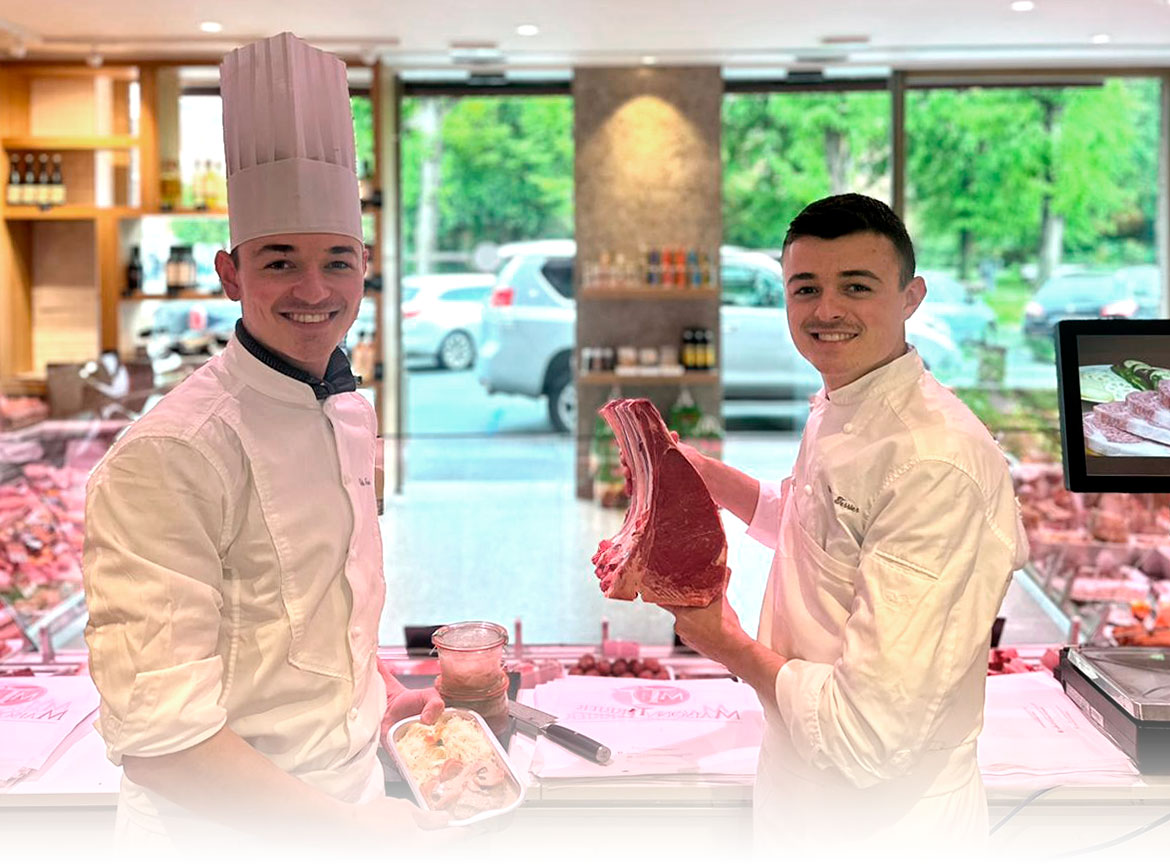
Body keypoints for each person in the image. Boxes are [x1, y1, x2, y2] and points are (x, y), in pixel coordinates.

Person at [83, 33, 447, 851]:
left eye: (337, 263)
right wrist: (352, 837)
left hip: (347, 799)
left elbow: (317, 614)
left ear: (366, 266)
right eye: (281, 262)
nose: (315, 291)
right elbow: (161, 745)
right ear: (229, 274)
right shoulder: (172, 455)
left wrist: (379, 695)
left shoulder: (349, 410)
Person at [665, 194, 1028, 851]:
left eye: (855, 286)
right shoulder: (846, 397)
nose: (825, 310)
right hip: (799, 791)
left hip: (885, 826)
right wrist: (701, 475)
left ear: (911, 295)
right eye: (806, 288)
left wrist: (726, 643)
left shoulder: (934, 462)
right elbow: (826, 534)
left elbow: (868, 736)